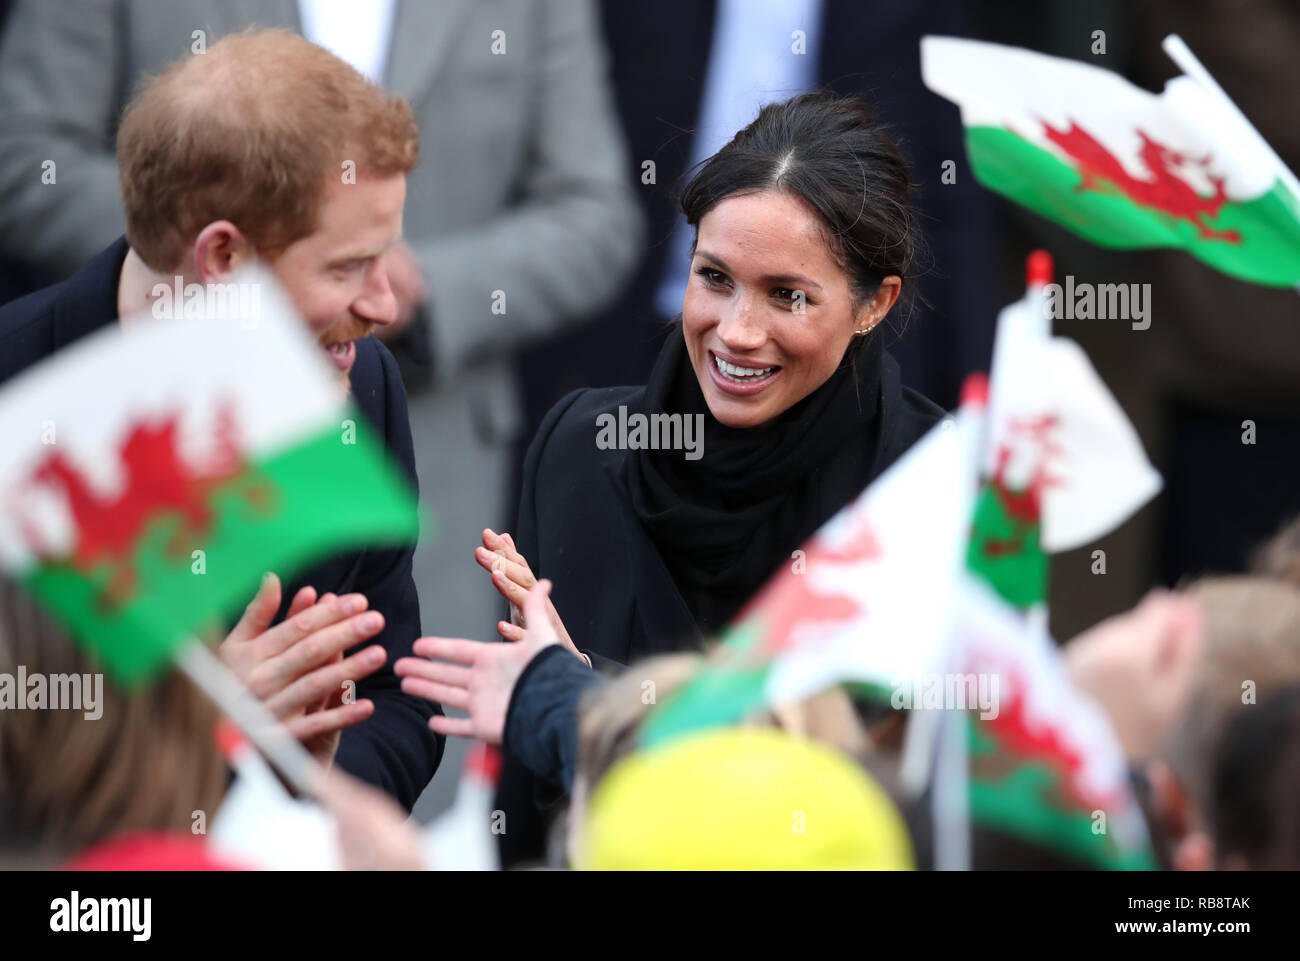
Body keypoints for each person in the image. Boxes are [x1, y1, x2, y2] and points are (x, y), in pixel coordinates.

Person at [475, 92, 945, 862]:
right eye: (715, 277)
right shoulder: (581, 450)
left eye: (787, 295)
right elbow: (523, 817)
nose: (736, 331)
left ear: (874, 304)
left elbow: (858, 808)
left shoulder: (930, 497)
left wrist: (586, 701)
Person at [0, 29, 441, 810]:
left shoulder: (358, 381)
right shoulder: (19, 396)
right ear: (225, 258)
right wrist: (188, 728)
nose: (385, 305)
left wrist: (309, 772)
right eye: (346, 268)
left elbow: (397, 698)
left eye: (385, 257)